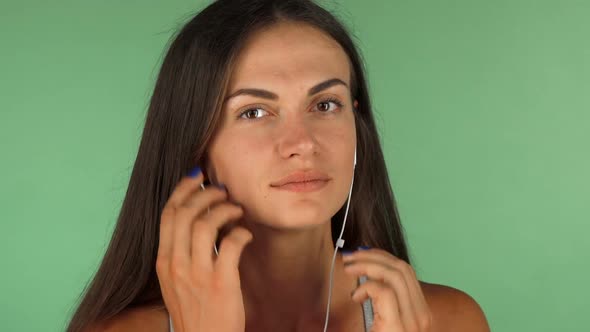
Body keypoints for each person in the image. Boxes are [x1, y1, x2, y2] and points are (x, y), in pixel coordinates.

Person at [66, 0, 491, 331]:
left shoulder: (450, 320)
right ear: (196, 148)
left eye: (325, 104)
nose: (302, 143)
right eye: (254, 112)